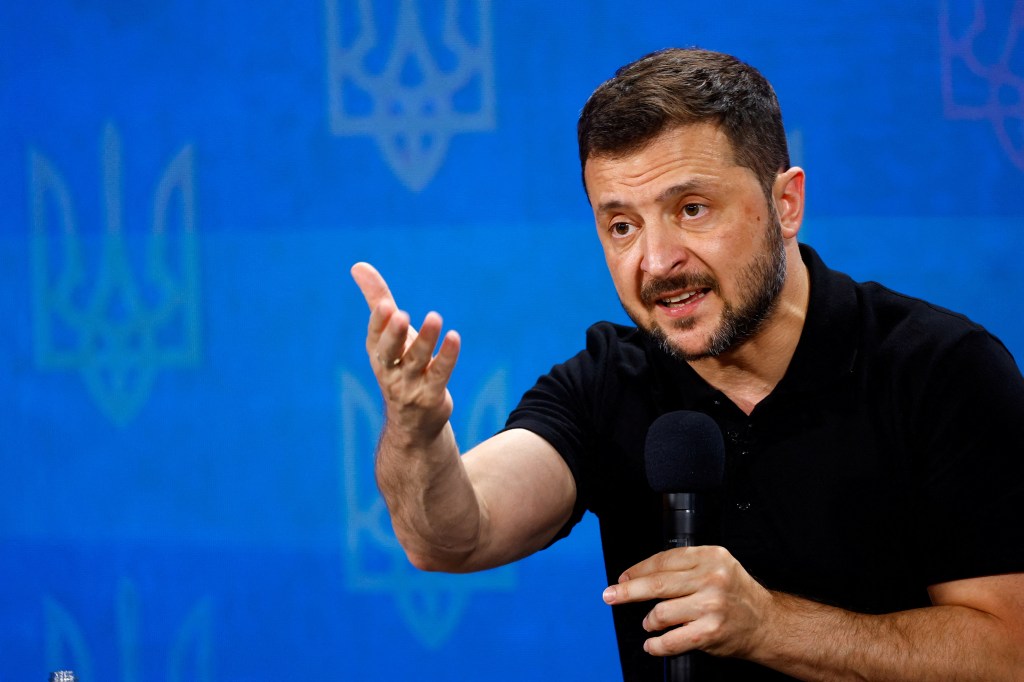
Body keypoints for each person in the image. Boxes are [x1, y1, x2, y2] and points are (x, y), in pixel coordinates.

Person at [350, 47, 1024, 680]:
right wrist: (416, 435)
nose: (656, 261)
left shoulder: (943, 371)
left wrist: (771, 625)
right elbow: (452, 537)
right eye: (622, 226)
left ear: (785, 204)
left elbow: (1010, 651)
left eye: (691, 209)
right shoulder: (608, 380)